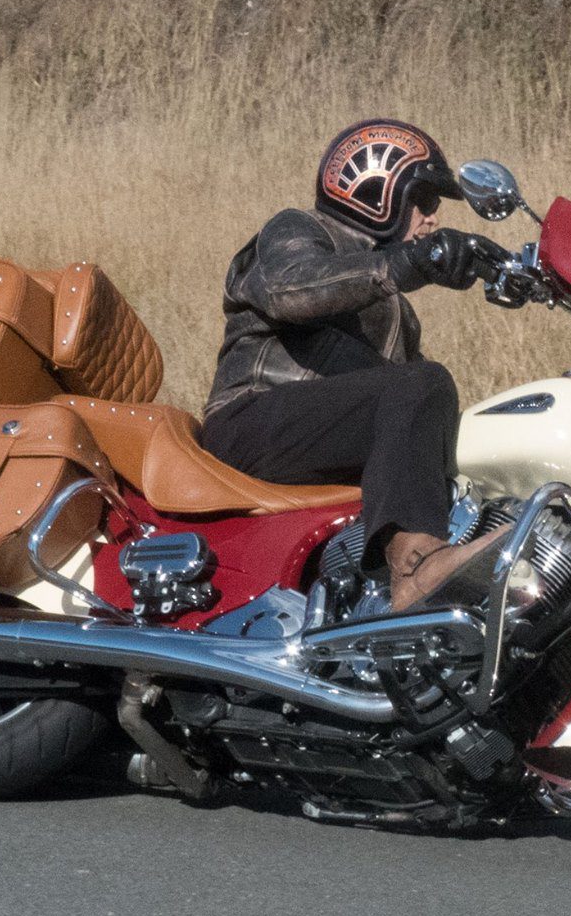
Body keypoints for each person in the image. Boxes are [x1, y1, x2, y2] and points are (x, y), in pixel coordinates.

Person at [201, 118, 512, 613]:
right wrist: (411, 262)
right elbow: (290, 289)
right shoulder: (298, 230)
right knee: (421, 384)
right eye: (424, 201)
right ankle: (416, 567)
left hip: (311, 438)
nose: (432, 219)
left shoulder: (395, 312)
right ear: (378, 191)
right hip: (249, 423)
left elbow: (407, 417)